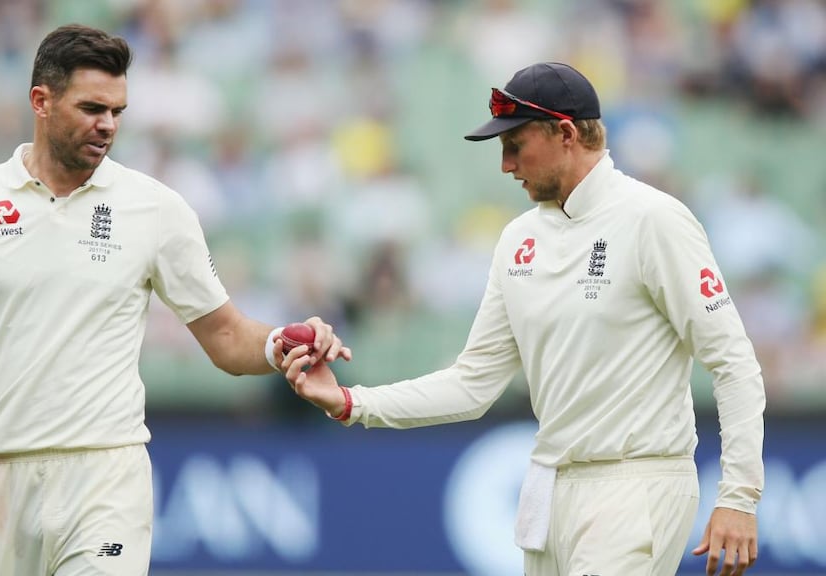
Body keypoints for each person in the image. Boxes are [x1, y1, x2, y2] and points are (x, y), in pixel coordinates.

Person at [0, 24, 350, 575]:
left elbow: (225, 336)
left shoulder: (156, 209)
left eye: (117, 111)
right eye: (91, 108)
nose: (107, 125)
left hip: (106, 476)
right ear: (41, 101)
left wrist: (281, 343)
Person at [279, 62, 764, 576]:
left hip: (636, 484)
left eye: (516, 145)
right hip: (549, 488)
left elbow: (733, 361)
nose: (506, 165)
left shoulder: (654, 219)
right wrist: (351, 402)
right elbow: (472, 384)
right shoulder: (519, 239)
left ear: (566, 134)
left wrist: (739, 495)